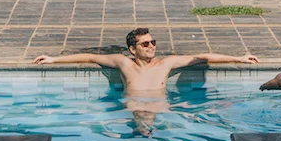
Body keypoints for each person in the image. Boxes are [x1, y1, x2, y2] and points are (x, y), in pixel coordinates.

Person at [34, 28, 259, 95]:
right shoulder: (124, 63)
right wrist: (54, 60)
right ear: (133, 49)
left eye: (153, 42)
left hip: (161, 107)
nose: (151, 47)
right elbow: (90, 57)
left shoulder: (165, 64)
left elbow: (202, 57)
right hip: (131, 107)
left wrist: (238, 57)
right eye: (145, 44)